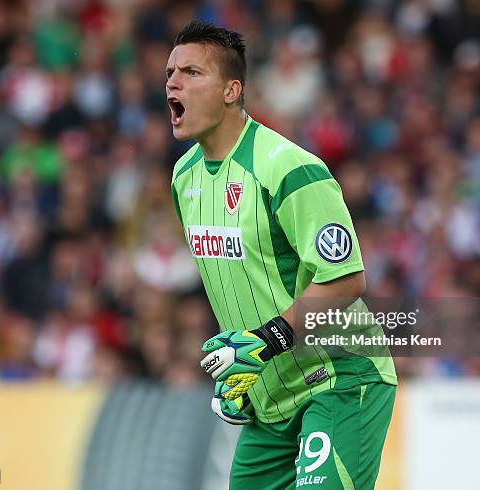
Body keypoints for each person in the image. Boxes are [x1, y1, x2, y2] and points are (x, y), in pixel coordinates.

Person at [167, 21, 397, 490]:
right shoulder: (183, 178)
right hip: (271, 398)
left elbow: (347, 280)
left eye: (191, 72)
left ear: (232, 90)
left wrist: (265, 341)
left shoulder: (290, 169)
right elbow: (237, 284)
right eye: (171, 72)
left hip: (341, 378)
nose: (172, 82)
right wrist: (237, 363)